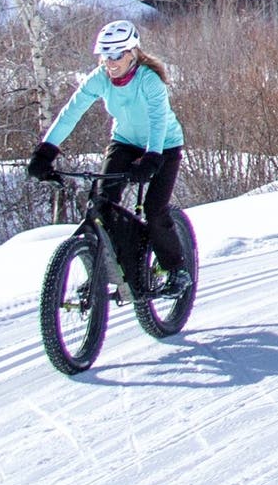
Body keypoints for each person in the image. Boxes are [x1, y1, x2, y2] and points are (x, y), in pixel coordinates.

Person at [26, 21, 189, 291]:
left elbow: (158, 121)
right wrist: (45, 152)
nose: (110, 62)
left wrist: (152, 158)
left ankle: (176, 269)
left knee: (154, 209)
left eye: (117, 55)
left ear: (132, 53)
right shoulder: (100, 78)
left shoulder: (150, 80)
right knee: (103, 204)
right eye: (105, 55)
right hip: (124, 142)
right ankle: (112, 267)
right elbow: (71, 112)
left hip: (164, 146)